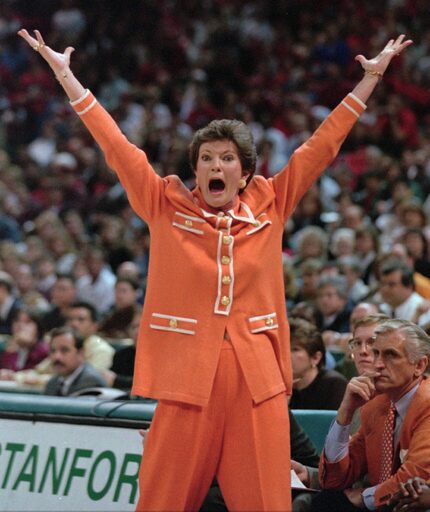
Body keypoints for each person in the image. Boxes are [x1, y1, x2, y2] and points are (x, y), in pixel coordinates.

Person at [17, 27, 412, 511]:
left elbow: (320, 147)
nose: (214, 165)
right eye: (206, 158)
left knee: (266, 503)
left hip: (258, 380)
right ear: (197, 170)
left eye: (226, 158)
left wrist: (368, 81)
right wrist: (65, 75)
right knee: (162, 501)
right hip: (187, 379)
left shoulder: (270, 201)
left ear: (244, 173)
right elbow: (116, 146)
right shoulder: (164, 203)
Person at [313, 319, 430, 512]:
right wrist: (345, 412)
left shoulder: (427, 404)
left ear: (419, 365)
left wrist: (365, 497)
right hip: (386, 504)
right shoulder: (374, 405)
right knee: (326, 500)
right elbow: (335, 479)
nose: (378, 364)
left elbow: (413, 480)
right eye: (376, 354)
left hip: (413, 505)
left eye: (390, 355)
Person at [289, 317, 348, 410]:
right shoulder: (276, 385)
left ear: (315, 358)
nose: (286, 355)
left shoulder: (334, 386)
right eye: (283, 349)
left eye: (295, 349)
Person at [44, 326, 107, 396]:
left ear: (80, 354)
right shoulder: (53, 382)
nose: (57, 357)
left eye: (64, 350)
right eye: (53, 351)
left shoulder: (91, 382)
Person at [0, 306, 49, 371]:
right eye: (17, 321)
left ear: (38, 328)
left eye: (27, 322)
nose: (20, 325)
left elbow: (26, 375)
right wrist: (11, 350)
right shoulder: (5, 345)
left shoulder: (43, 350)